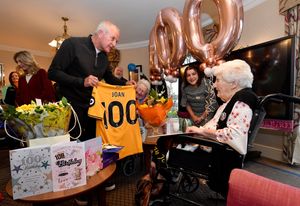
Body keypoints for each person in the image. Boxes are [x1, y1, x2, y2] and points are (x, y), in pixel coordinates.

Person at [48, 21, 134, 199]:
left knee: (92, 146)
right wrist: (82, 81)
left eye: (116, 41)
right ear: (101, 33)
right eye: (113, 39)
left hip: (92, 108)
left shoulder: (103, 57)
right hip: (72, 108)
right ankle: (77, 191)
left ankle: (93, 182)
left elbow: (109, 77)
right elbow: (53, 73)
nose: (114, 44)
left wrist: (125, 83)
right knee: (74, 149)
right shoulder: (72, 44)